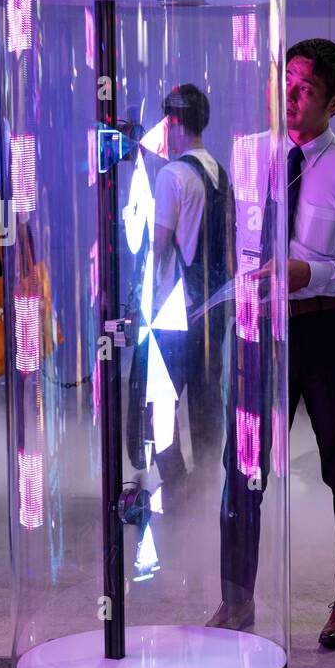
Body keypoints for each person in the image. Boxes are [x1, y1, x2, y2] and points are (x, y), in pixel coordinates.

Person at [209, 39, 335, 649]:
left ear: (334, 102)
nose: (289, 97)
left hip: (325, 329)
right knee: (243, 465)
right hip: (258, 331)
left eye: (305, 89)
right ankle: (236, 598)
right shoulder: (247, 154)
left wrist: (309, 273)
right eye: (285, 82)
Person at [147, 82, 230, 502]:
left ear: (174, 122)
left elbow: (159, 247)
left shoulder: (172, 174)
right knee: (205, 398)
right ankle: (208, 489)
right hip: (214, 306)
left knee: (158, 402)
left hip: (174, 310)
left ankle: (177, 486)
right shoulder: (219, 172)